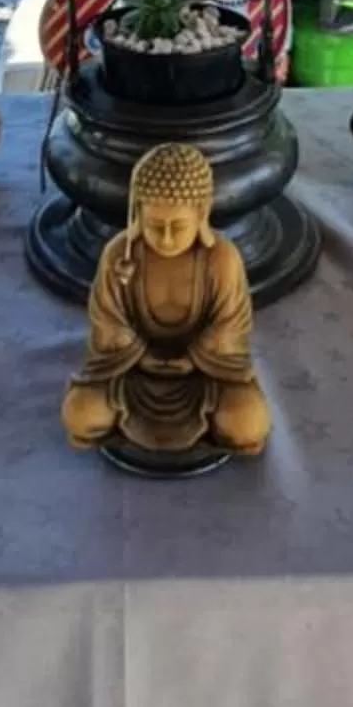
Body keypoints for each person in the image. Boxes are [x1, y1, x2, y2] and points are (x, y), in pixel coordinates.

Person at [63, 140, 270, 466]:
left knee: (246, 424)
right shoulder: (121, 255)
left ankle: (211, 425)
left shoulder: (221, 259)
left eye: (179, 226)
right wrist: (139, 355)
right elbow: (107, 324)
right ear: (137, 213)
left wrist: (193, 359)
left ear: (202, 213)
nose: (167, 238)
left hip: (204, 375)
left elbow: (230, 330)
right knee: (82, 415)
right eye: (155, 226)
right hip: (130, 372)